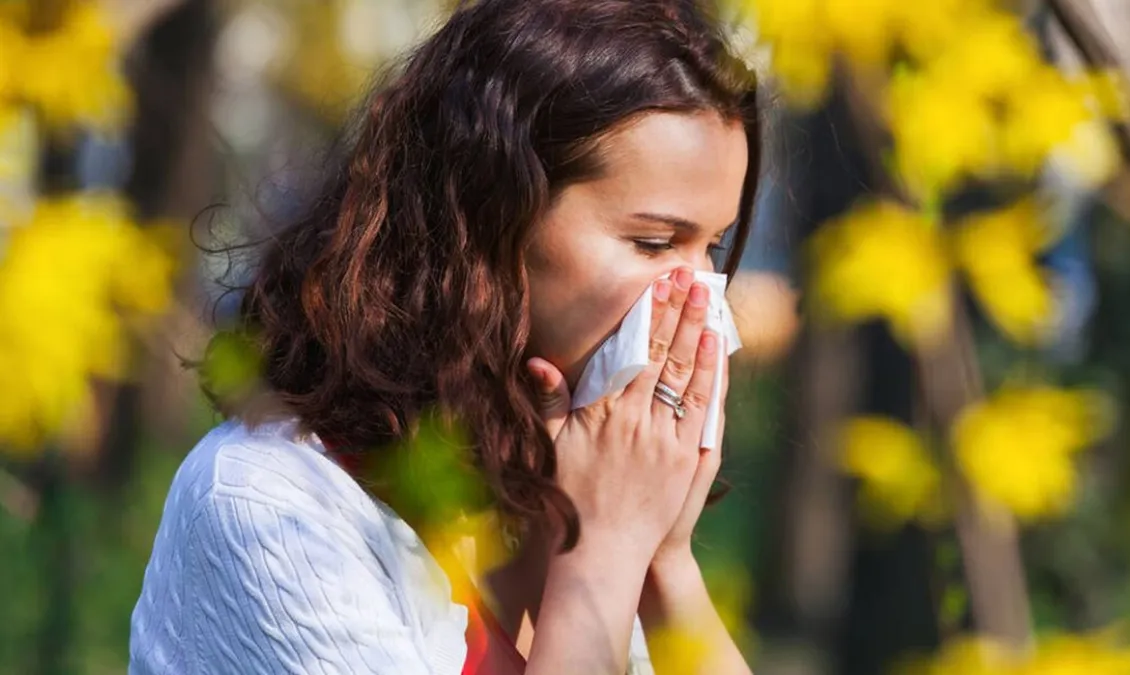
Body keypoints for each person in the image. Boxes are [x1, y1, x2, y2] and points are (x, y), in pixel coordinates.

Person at [129, 0, 760, 672]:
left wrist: (664, 559)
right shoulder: (272, 503)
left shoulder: (571, 481)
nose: (701, 297)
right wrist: (601, 553)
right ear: (491, 220)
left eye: (713, 249)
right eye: (655, 242)